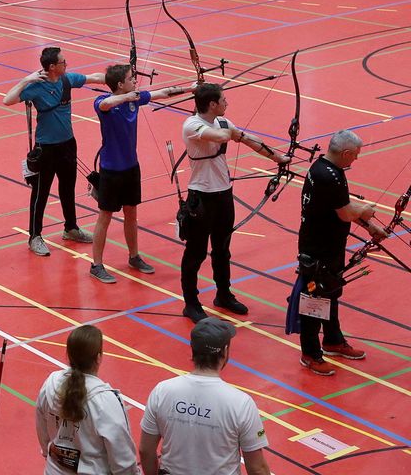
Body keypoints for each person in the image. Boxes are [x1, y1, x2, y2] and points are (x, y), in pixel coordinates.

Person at [178, 82, 289, 323]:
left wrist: (278, 157)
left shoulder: (221, 122)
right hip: (201, 196)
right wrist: (235, 133)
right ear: (212, 104)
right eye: (223, 100)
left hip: (223, 194)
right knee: (195, 253)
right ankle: (191, 303)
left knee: (222, 249)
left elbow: (248, 139)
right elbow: (222, 135)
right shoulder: (193, 125)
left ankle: (223, 294)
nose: (227, 103)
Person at [291, 129, 387, 376]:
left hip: (330, 247)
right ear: (345, 153)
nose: (356, 159)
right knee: (315, 301)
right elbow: (346, 212)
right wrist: (365, 211)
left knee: (331, 293)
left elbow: (341, 205)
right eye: (355, 155)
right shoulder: (328, 176)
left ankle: (333, 340)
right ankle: (310, 353)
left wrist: (372, 226)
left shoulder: (325, 167)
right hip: (317, 250)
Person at [88, 64, 192, 283]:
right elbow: (107, 103)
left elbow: (162, 93)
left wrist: (191, 89)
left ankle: (134, 256)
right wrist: (127, 98)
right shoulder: (103, 103)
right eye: (130, 78)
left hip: (131, 168)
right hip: (110, 170)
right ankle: (96, 264)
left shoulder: (133, 98)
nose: (135, 81)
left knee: (131, 213)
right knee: (105, 217)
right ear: (119, 84)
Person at [2, 47, 104, 257]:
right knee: (41, 194)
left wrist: (117, 77)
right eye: (63, 62)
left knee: (68, 188)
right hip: (46, 149)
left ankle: (71, 228)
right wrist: (26, 80)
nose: (66, 65)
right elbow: (8, 99)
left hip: (68, 144)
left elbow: (94, 78)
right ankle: (35, 236)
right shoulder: (36, 86)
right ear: (51, 67)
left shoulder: (67, 80)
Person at [139, 318, 270, 475]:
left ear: (192, 349)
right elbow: (257, 469)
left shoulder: (162, 391)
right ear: (225, 351)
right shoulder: (241, 403)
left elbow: (146, 451)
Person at [35, 325, 137, 475]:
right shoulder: (106, 401)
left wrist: (48, 453)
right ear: (98, 358)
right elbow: (123, 462)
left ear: (69, 355)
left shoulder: (51, 383)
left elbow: (42, 428)